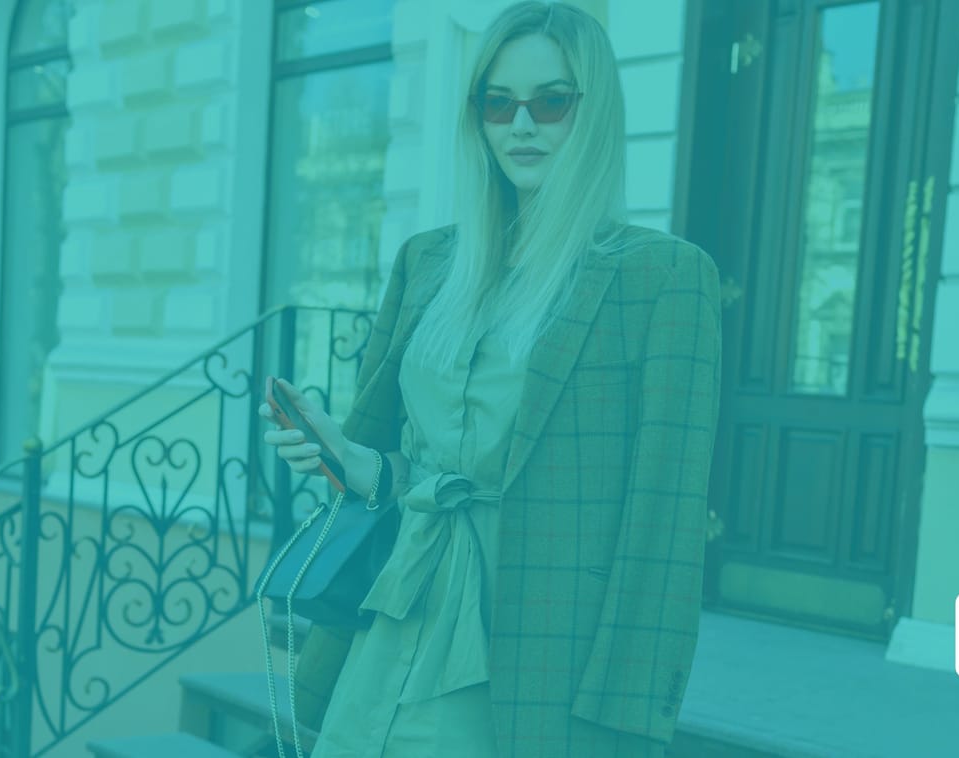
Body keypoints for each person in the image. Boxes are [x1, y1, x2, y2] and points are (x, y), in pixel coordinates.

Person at [260, 2, 722, 756]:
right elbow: (424, 470)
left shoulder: (661, 277)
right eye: (498, 103)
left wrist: (628, 717)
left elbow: (663, 526)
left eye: (551, 101)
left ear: (594, 112)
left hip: (537, 646)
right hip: (395, 619)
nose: (521, 124)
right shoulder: (428, 262)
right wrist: (351, 459)